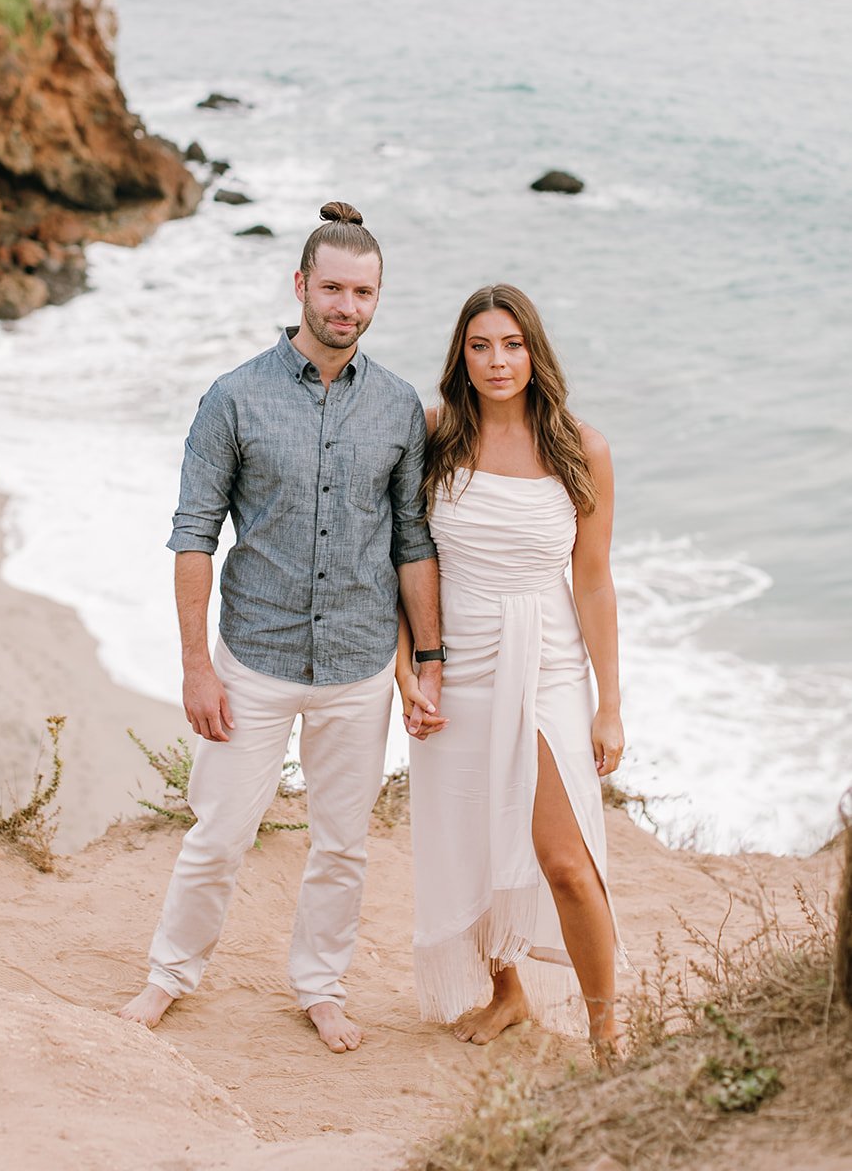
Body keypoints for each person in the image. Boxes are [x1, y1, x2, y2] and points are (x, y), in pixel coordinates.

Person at [119, 201, 442, 1052]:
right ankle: (168, 977)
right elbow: (194, 534)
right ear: (300, 284)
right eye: (331, 287)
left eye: (362, 292)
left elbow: (412, 540)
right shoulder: (233, 398)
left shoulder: (401, 408)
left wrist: (425, 663)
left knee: (342, 847)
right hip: (251, 662)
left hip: (358, 665)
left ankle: (320, 988)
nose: (346, 306)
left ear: (377, 298)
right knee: (219, 833)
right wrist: (196, 668)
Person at [397, 283, 628, 1052]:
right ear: (460, 357)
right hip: (455, 662)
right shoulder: (433, 436)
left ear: (534, 351)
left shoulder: (578, 446)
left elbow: (592, 581)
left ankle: (606, 1030)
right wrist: (409, 667)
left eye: (511, 344)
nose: (497, 361)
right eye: (480, 346)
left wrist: (609, 703)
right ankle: (508, 994)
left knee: (565, 860)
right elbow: (400, 560)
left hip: (549, 663)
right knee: (467, 839)